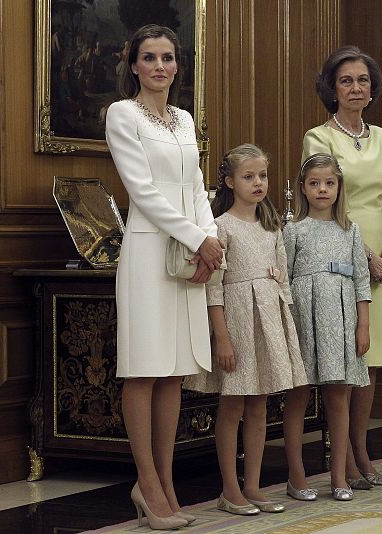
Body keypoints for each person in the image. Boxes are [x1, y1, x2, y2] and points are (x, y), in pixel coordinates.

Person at [105, 24, 223, 530]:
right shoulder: (122, 114)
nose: (159, 66)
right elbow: (143, 192)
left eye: (168, 57)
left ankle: (166, 483)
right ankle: (147, 484)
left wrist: (212, 236)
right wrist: (198, 239)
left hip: (190, 253)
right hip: (149, 254)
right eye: (149, 57)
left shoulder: (183, 118)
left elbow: (196, 186)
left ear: (178, 65)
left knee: (174, 370)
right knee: (144, 367)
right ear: (133, 64)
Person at [302, 46, 382, 488]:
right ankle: (341, 459)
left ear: (372, 87)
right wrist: (369, 259)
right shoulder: (318, 137)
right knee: (346, 358)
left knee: (372, 358)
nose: (355, 87)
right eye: (346, 80)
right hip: (340, 254)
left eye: (363, 80)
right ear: (332, 87)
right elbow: (328, 201)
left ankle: (360, 451)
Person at [183, 144, 308, 515]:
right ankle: (229, 488)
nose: (258, 183)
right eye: (248, 176)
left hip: (268, 321)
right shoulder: (221, 227)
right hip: (237, 321)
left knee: (260, 405)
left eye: (263, 176)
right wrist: (221, 337)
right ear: (229, 182)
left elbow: (283, 278)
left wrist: (284, 329)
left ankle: (252, 485)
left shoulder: (272, 226)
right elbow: (214, 286)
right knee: (232, 404)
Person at [283, 153, 372, 502]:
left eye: (329, 183)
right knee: (298, 396)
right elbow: (285, 283)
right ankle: (297, 476)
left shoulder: (351, 231)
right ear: (303, 189)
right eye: (315, 183)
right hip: (305, 320)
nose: (323, 189)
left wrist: (362, 326)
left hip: (343, 319)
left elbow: (362, 282)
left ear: (339, 187)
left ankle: (338, 476)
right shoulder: (293, 231)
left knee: (338, 396)